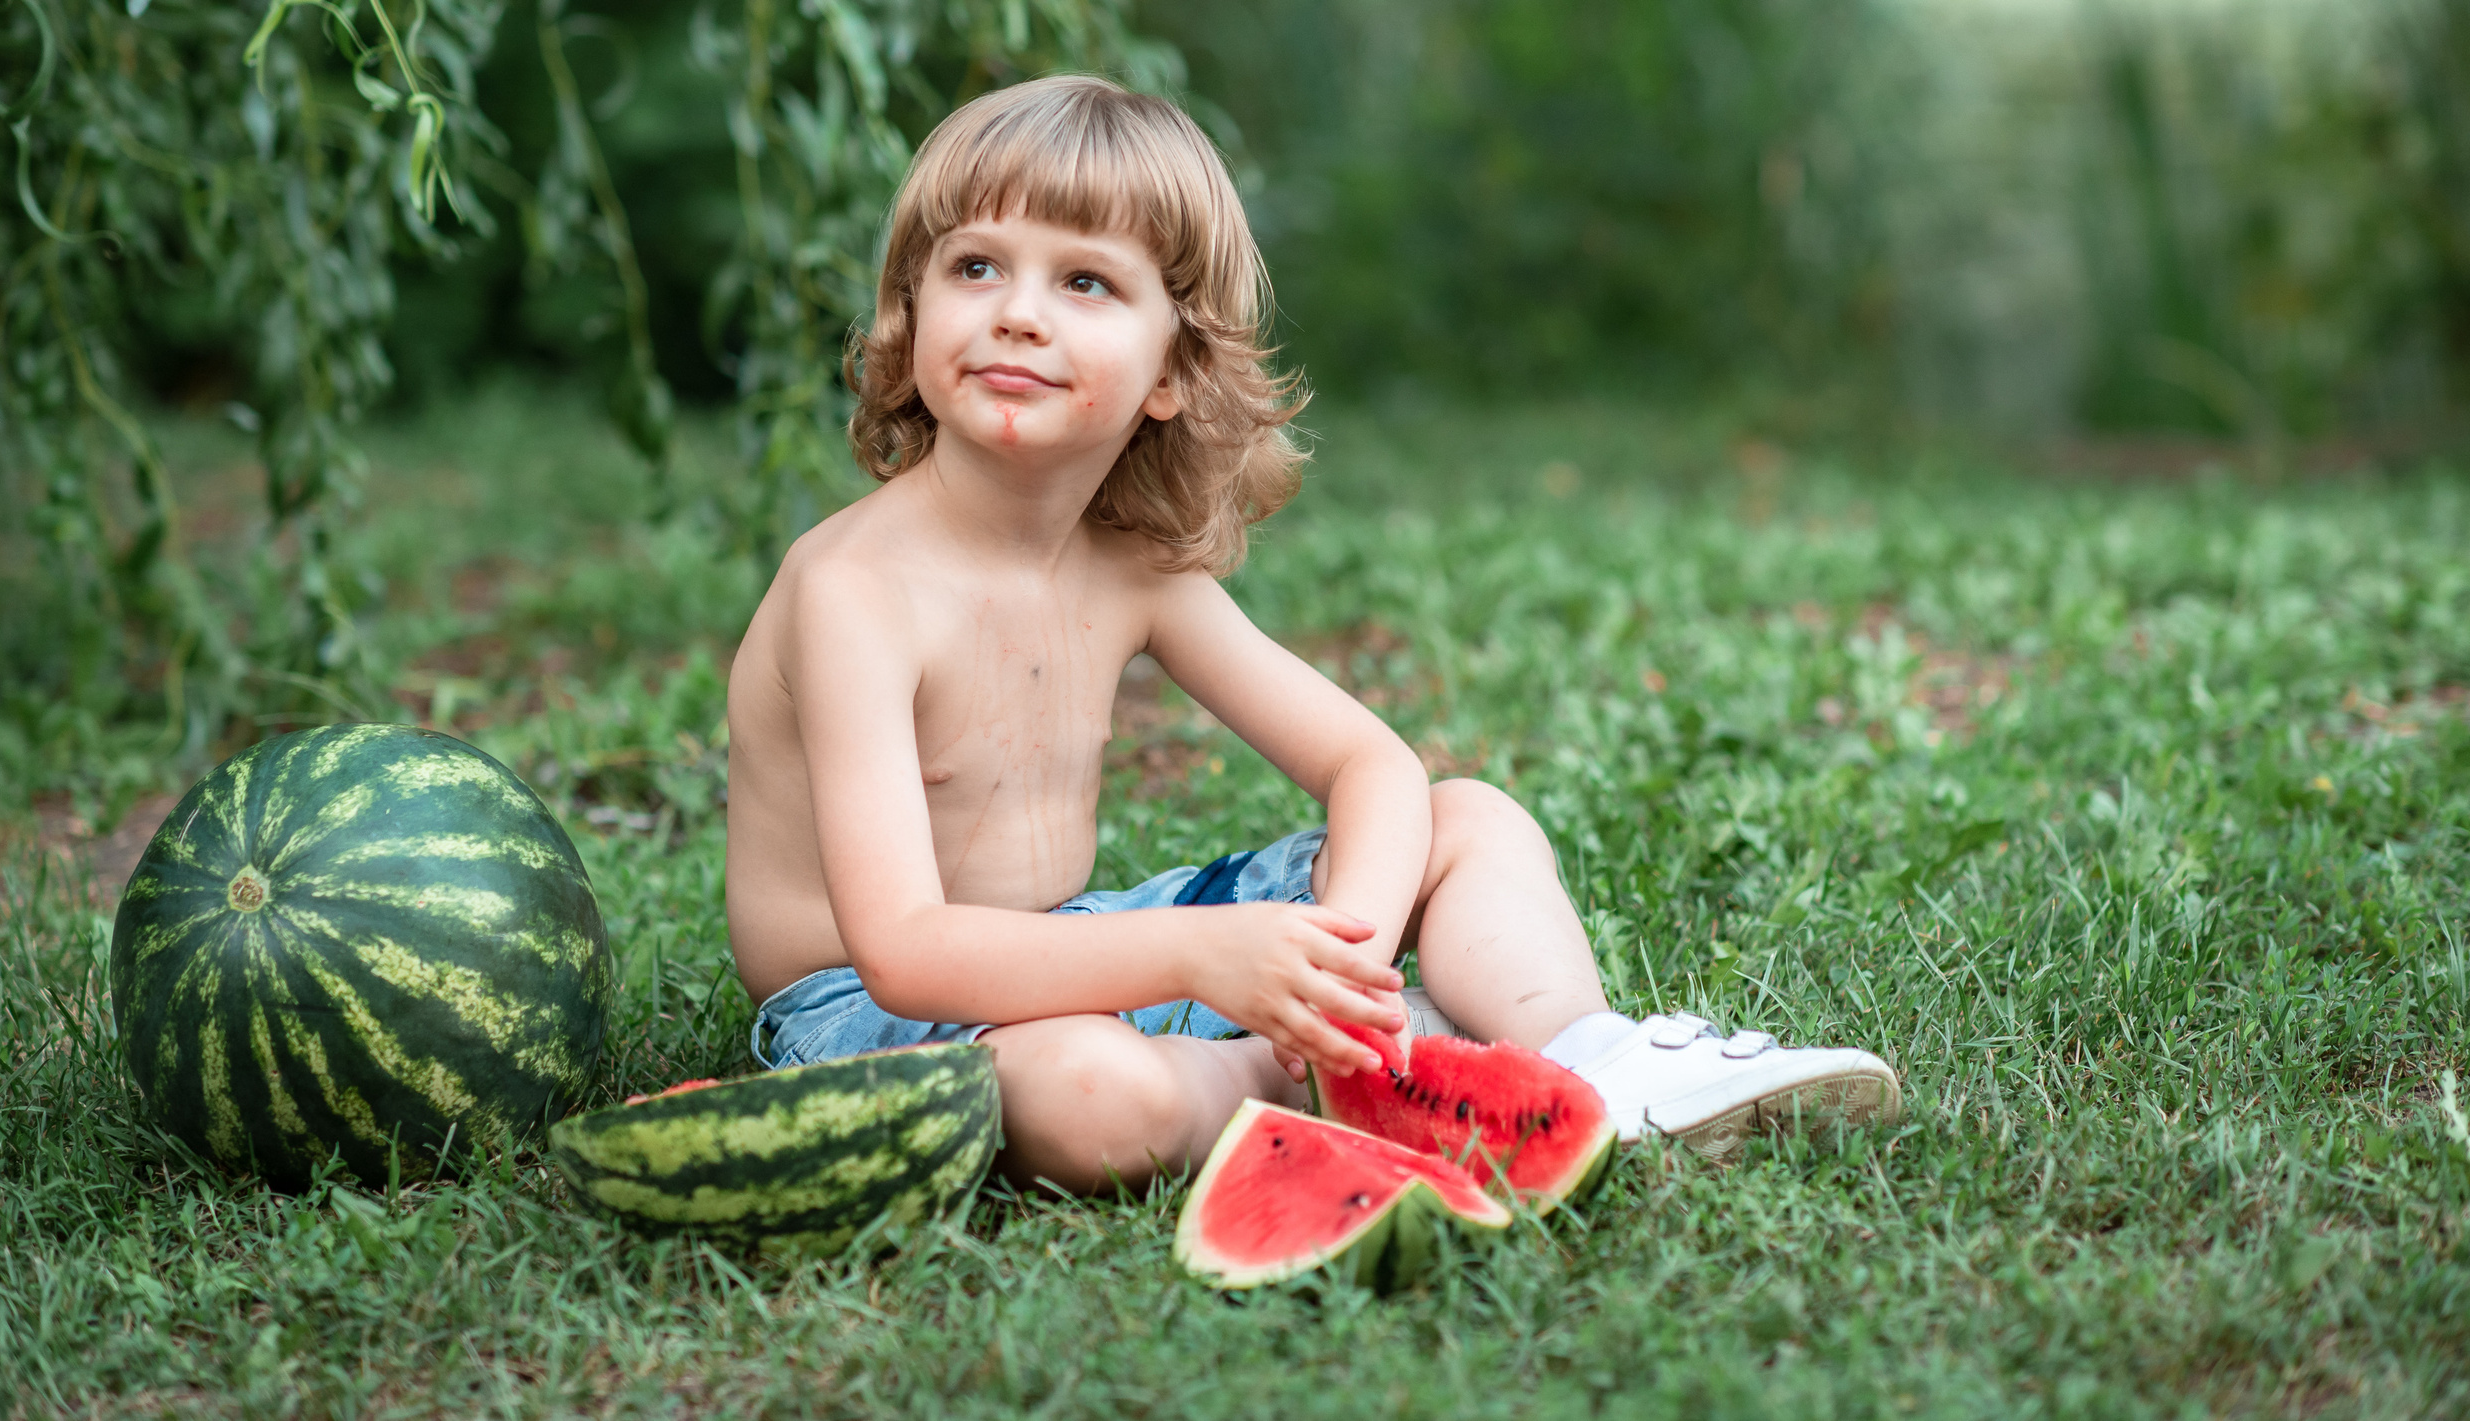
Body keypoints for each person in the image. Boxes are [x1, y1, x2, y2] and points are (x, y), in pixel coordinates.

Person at [724, 75, 1899, 1192]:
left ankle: (1585, 1059)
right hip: (872, 1017)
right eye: (976, 266)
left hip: (1076, 947)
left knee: (1469, 815)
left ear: (1171, 374)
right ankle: (1351, 1079)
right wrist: (1206, 958)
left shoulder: (1126, 563)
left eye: (1084, 282)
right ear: (910, 306)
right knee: (1090, 1095)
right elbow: (908, 950)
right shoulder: (853, 589)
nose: (1018, 314)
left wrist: (1347, 960)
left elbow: (1368, 764)